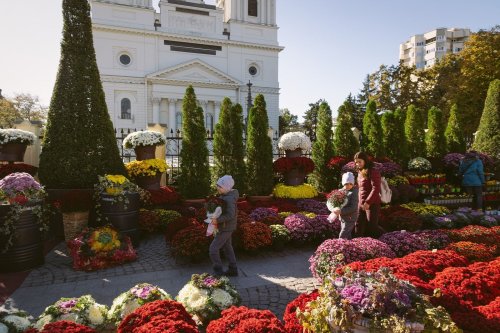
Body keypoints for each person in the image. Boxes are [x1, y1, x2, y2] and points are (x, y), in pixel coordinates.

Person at [209, 175, 239, 277]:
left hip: (226, 227)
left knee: (213, 249)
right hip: (225, 226)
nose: (217, 188)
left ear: (226, 188)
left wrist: (217, 219)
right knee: (227, 247)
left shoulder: (229, 199)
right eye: (217, 185)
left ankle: (218, 271)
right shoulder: (224, 196)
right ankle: (233, 269)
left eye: (220, 186)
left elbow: (231, 215)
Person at [354, 152, 385, 238]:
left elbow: (376, 188)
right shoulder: (359, 172)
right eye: (356, 162)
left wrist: (368, 202)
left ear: (365, 161)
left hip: (372, 204)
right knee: (358, 224)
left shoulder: (373, 171)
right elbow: (361, 188)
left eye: (359, 161)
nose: (357, 164)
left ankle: (388, 238)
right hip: (361, 203)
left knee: (372, 227)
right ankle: (356, 245)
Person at [333, 172, 359, 239]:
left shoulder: (354, 192)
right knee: (347, 234)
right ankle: (350, 246)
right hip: (342, 217)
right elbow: (335, 202)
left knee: (343, 234)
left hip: (350, 217)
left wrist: (340, 211)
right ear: (343, 183)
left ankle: (340, 247)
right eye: (346, 184)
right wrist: (334, 207)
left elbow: (353, 207)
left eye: (350, 184)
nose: (348, 186)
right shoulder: (340, 191)